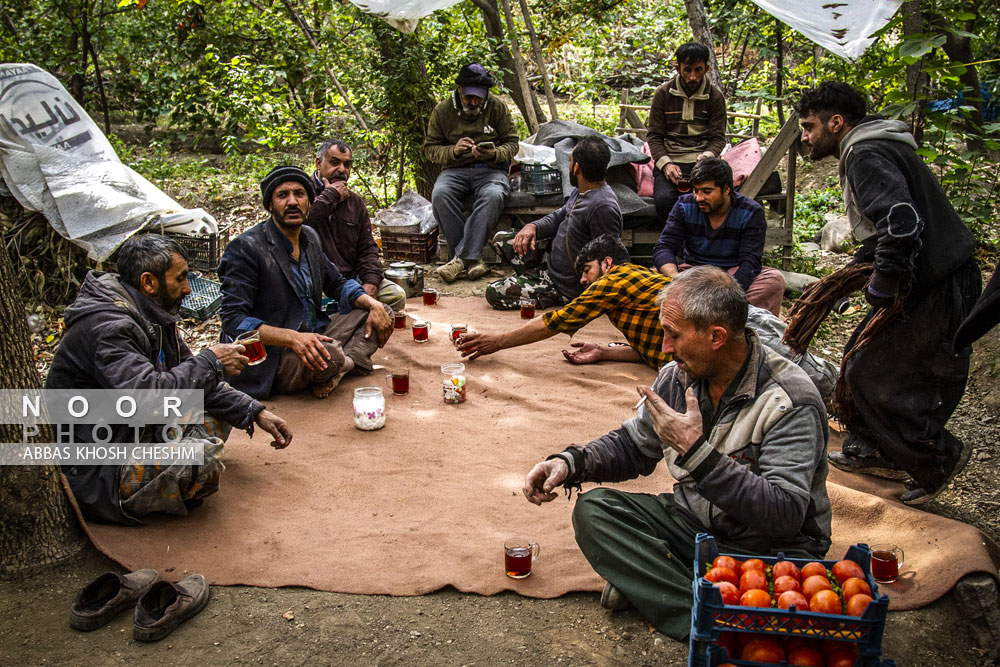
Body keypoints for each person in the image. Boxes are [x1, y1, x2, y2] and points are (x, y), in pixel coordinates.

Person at [521, 267, 831, 639]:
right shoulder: (677, 375)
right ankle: (710, 601)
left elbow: (783, 515)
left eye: (673, 335)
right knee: (596, 510)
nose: (665, 347)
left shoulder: (789, 399)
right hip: (697, 528)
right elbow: (633, 445)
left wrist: (694, 451)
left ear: (716, 336)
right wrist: (569, 463)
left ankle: (692, 611)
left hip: (771, 549)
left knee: (795, 584)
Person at [795, 82, 981, 505]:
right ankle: (874, 447)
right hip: (932, 275)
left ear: (836, 122)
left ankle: (938, 457)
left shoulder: (865, 153)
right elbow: (888, 228)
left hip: (938, 281)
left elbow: (900, 220)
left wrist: (883, 283)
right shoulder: (873, 145)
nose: (805, 136)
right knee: (858, 357)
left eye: (809, 126)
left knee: (872, 371)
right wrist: (856, 272)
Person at [46, 234, 292, 524]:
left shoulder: (150, 312)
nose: (188, 288)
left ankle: (177, 456)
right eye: (181, 279)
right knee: (199, 459)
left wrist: (254, 411)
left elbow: (192, 374)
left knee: (219, 411)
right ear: (149, 282)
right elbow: (144, 399)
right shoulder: (109, 327)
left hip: (135, 430)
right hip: (100, 464)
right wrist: (212, 361)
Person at [463, 235, 837, 399]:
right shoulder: (626, 297)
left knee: (825, 382)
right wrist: (608, 352)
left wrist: (496, 342)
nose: (583, 280)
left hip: (742, 326)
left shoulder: (618, 278)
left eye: (587, 270)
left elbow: (556, 320)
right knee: (797, 386)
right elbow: (663, 345)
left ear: (607, 264)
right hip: (722, 334)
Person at [218, 165, 393, 401]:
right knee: (330, 355)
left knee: (383, 312)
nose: (292, 202)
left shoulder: (309, 236)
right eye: (283, 195)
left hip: (313, 334)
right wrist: (293, 338)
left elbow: (338, 284)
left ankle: (341, 369)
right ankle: (345, 363)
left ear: (309, 202)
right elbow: (234, 320)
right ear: (270, 205)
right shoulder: (245, 248)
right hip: (271, 357)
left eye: (299, 194)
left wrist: (373, 304)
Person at [486, 137, 623, 310]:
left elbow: (609, 259)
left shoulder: (603, 207)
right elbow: (559, 216)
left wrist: (585, 295)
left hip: (564, 286)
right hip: (549, 262)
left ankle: (550, 294)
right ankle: (532, 275)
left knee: (494, 291)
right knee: (501, 239)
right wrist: (533, 227)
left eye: (570, 162)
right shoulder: (582, 190)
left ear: (576, 168)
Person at [423, 63, 519, 283]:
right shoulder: (443, 111)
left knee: (494, 195)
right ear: (459, 89)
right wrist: (453, 151)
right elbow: (430, 149)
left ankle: (459, 260)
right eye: (470, 97)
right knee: (440, 195)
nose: (474, 102)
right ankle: (472, 260)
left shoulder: (496, 107)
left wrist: (494, 154)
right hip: (455, 170)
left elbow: (513, 143)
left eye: (479, 98)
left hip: (490, 170)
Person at [652, 157, 786, 316]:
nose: (699, 198)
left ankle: (721, 312)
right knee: (650, 279)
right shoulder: (684, 205)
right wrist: (675, 279)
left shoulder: (751, 212)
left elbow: (750, 263)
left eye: (707, 191)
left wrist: (724, 293)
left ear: (726, 189)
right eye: (695, 190)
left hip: (731, 277)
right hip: (693, 273)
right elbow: (664, 247)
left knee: (774, 281)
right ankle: (722, 312)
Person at [304, 138, 406, 311]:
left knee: (395, 296)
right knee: (311, 309)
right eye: (335, 162)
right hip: (316, 282)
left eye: (347, 164)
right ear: (318, 163)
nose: (342, 170)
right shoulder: (301, 192)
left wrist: (370, 284)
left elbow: (367, 249)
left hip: (351, 279)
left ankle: (355, 310)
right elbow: (300, 223)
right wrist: (330, 196)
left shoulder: (355, 202)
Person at [646, 42, 727, 223]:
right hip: (671, 160)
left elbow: (718, 138)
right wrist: (666, 165)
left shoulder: (715, 97)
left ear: (706, 68)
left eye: (698, 70)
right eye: (687, 70)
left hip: (702, 161)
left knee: (709, 201)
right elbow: (654, 136)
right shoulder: (663, 94)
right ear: (677, 68)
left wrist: (706, 157)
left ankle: (700, 243)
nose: (693, 76)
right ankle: (676, 243)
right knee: (664, 200)